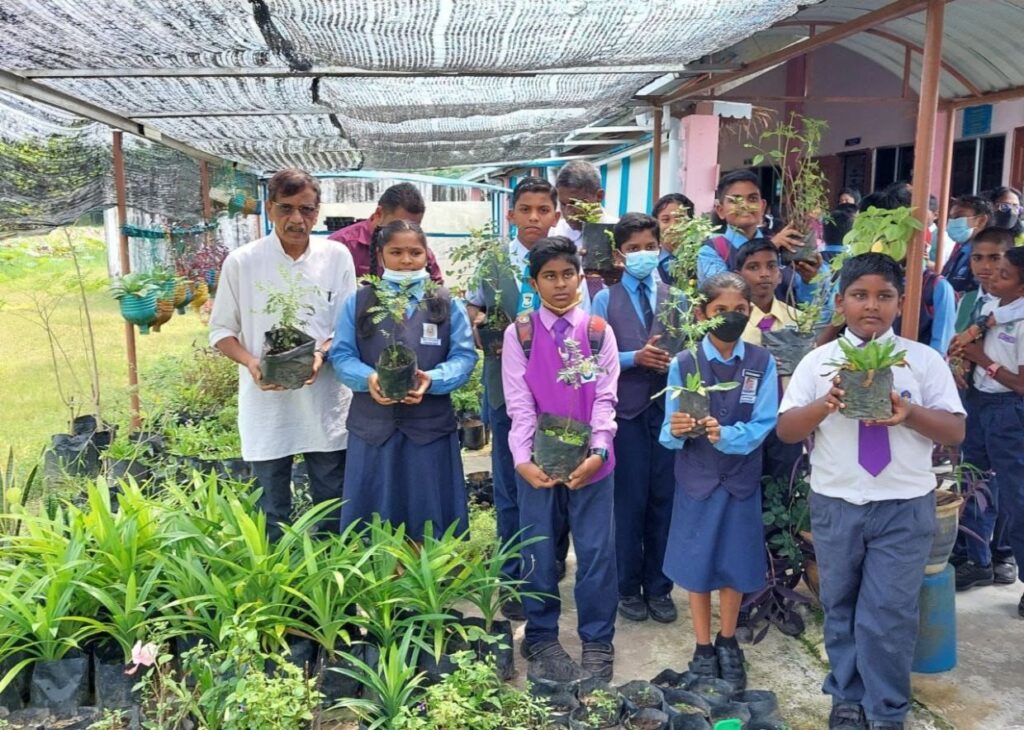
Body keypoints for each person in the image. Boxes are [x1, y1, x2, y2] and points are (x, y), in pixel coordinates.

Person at [778, 253, 965, 730]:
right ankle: (846, 696)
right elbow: (786, 429)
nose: (871, 306)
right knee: (840, 605)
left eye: (884, 296)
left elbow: (955, 430)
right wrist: (827, 404)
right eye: (860, 295)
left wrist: (910, 413)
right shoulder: (819, 363)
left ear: (900, 304)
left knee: (889, 613)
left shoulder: (921, 361)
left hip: (903, 506)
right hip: (837, 502)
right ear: (840, 301)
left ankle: (886, 709)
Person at [210, 168, 355, 540]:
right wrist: (252, 362)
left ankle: (330, 593)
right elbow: (221, 331)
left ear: (318, 211)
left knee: (331, 504)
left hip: (324, 403)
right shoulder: (243, 262)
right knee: (272, 511)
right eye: (286, 208)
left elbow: (346, 327)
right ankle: (281, 592)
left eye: (306, 209)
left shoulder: (335, 257)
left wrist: (321, 353)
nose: (297, 219)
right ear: (269, 208)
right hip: (266, 408)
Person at [502, 236, 620, 683]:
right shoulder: (521, 334)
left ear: (580, 277)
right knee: (537, 547)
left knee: (595, 552)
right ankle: (542, 633)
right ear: (534, 282)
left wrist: (599, 450)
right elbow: (519, 402)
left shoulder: (596, 332)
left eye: (567, 275)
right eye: (549, 276)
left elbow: (606, 397)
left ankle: (596, 639)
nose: (559, 285)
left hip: (593, 463)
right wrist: (522, 460)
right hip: (538, 463)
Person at [660, 271, 778, 691]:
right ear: (702, 314)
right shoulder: (685, 363)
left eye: (740, 310)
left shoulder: (762, 363)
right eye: (720, 310)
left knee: (733, 563)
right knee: (698, 564)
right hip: (698, 481)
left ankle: (729, 641)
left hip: (741, 482)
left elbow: (764, 421)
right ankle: (703, 646)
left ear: (751, 312)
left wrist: (726, 436)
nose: (730, 317)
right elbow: (666, 431)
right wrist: (677, 428)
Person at [465, 177, 577, 619]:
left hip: (563, 399)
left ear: (555, 215)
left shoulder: (568, 262)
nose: (534, 217)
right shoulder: (493, 263)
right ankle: (513, 576)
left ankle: (547, 566)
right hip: (505, 392)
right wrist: (480, 324)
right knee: (511, 486)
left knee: (559, 485)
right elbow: (473, 306)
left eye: (543, 209)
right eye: (525, 209)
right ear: (510, 215)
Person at [330, 220, 477, 541]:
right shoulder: (359, 303)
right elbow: (341, 356)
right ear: (381, 257)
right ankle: (379, 580)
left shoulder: (445, 303)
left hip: (429, 428)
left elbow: (465, 357)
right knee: (373, 515)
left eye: (415, 252)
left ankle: (431, 580)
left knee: (430, 514)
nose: (407, 260)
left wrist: (434, 379)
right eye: (396, 252)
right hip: (372, 429)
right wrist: (368, 377)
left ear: (427, 255)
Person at [592, 213, 678, 625]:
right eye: (634, 248)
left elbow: (690, 351)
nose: (643, 254)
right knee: (628, 503)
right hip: (625, 413)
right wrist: (634, 358)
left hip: (667, 412)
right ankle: (627, 587)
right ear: (619, 254)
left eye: (650, 246)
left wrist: (671, 361)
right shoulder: (605, 299)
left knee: (664, 500)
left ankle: (659, 586)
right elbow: (593, 357)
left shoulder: (678, 298)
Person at [948, 244, 1024, 604]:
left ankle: (1013, 564)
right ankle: (977, 558)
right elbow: (973, 338)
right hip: (980, 403)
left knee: (1016, 496)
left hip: (1011, 411)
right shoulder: (992, 308)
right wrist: (965, 363)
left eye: (1004, 274)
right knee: (972, 479)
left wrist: (982, 359)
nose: (993, 275)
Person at [696, 170, 821, 304]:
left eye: (752, 199)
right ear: (721, 210)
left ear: (762, 207)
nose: (745, 206)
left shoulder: (784, 243)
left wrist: (808, 280)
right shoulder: (712, 250)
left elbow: (805, 304)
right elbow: (723, 296)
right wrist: (769, 248)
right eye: (736, 200)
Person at [328, 182, 444, 283]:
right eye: (396, 226)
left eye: (414, 227)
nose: (406, 233)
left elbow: (437, 291)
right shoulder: (340, 245)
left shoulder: (422, 253)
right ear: (378, 213)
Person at [941, 195, 994, 294]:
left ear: (981, 220)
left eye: (959, 216)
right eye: (951, 217)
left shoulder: (989, 254)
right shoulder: (962, 249)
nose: (952, 222)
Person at [652, 192, 696, 284]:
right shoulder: (649, 259)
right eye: (665, 220)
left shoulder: (699, 258)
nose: (673, 226)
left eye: (680, 219)